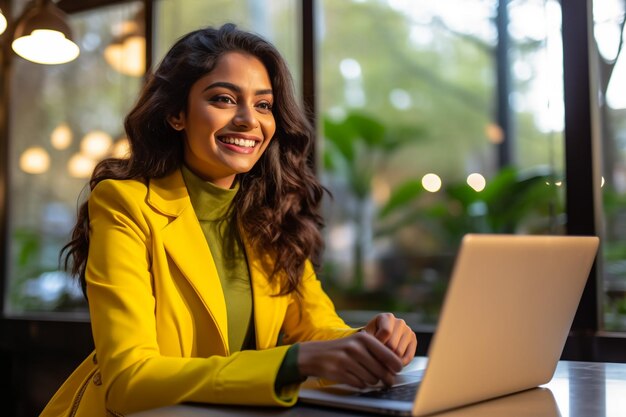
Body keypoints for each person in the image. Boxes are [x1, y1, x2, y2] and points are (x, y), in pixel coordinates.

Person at [40, 23, 417, 417]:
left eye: (263, 105)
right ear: (176, 114)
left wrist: (368, 342)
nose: (248, 120)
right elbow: (128, 380)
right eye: (223, 99)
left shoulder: (271, 215)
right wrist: (293, 363)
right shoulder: (124, 204)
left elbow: (317, 326)